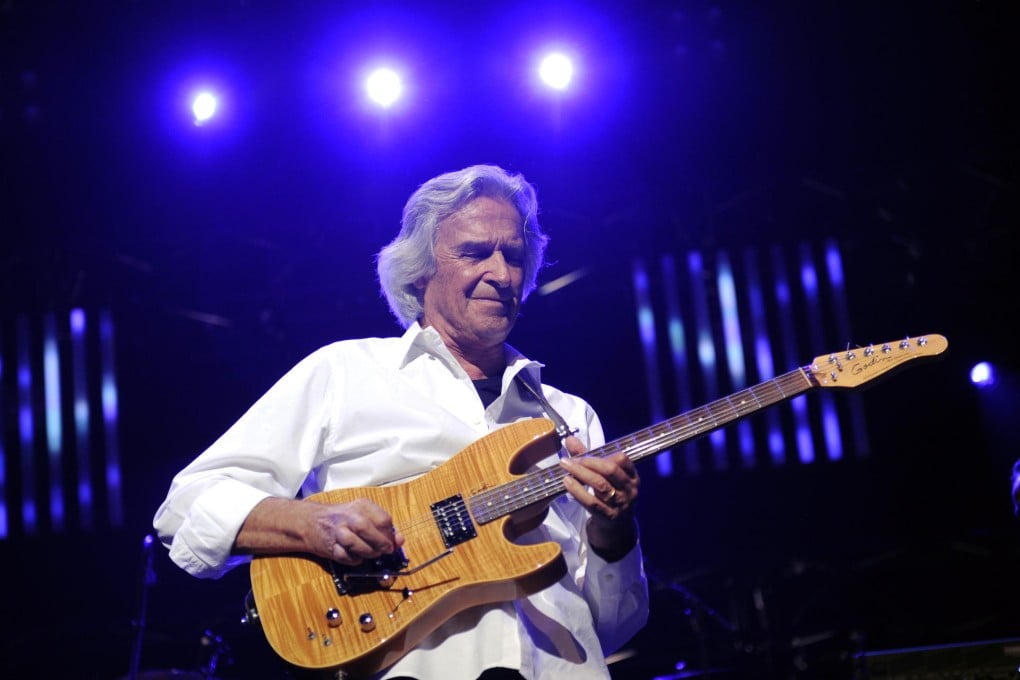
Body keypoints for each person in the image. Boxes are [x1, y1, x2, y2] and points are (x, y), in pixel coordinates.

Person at [153, 164, 650, 680]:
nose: (502, 275)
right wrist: (314, 525)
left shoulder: (570, 417)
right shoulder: (346, 372)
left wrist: (613, 531)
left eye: (515, 257)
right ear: (419, 270)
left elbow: (611, 627)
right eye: (475, 253)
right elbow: (187, 507)